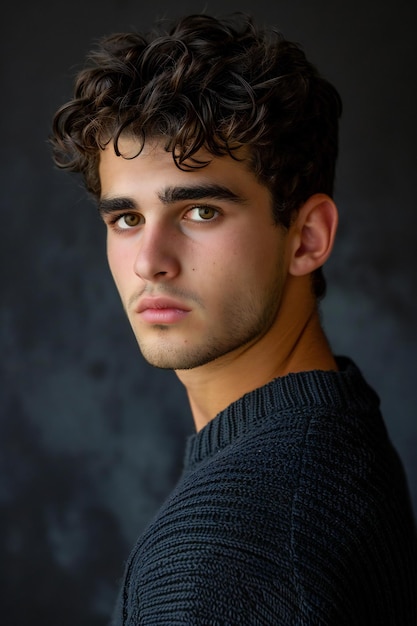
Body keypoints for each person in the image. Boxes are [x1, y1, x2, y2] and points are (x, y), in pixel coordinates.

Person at [50, 12, 417, 625]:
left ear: (307, 238)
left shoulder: (221, 561)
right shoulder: (339, 421)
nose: (150, 262)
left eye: (200, 212)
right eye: (126, 219)